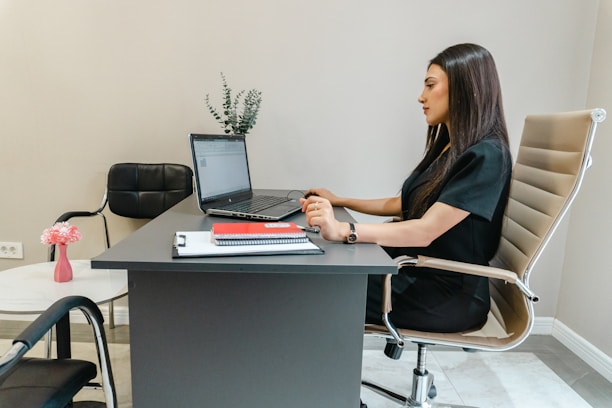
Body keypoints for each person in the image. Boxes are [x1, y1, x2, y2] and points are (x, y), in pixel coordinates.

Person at [300, 43, 512, 334]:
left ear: (464, 88)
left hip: (447, 294)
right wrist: (340, 200)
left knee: (323, 285)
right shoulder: (450, 148)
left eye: (430, 85)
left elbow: (425, 230)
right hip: (419, 272)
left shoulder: (486, 155)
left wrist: (344, 230)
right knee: (326, 267)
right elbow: (406, 204)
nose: (420, 97)